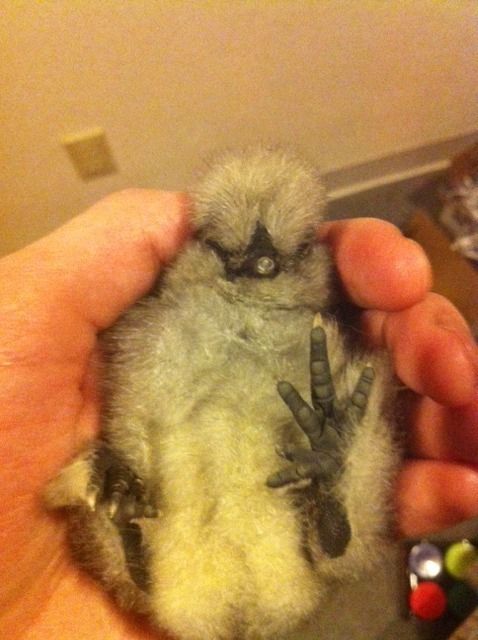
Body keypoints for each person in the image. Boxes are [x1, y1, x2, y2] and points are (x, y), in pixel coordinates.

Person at [0, 189, 476, 639]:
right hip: (186, 566)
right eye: (227, 244)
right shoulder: (160, 331)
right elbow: (137, 435)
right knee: (339, 423)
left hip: (269, 562)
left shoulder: (311, 336)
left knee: (351, 416)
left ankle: (325, 500)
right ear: (197, 243)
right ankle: (140, 535)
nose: (261, 260)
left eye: (289, 248)